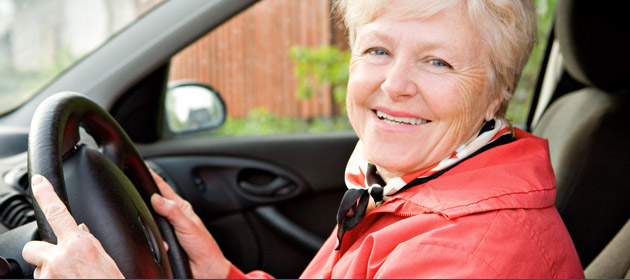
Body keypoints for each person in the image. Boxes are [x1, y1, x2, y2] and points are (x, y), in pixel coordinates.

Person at [22, 0, 585, 278]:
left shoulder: (472, 255)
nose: (394, 85)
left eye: (437, 61)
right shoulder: (409, 190)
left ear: (495, 96)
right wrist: (222, 276)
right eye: (377, 50)